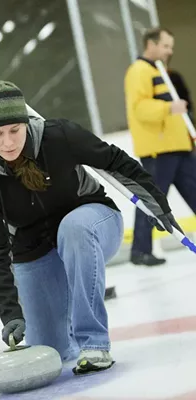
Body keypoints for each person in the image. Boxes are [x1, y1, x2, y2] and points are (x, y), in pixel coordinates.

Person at [0, 81, 183, 375]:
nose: (7, 142)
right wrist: (10, 312)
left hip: (92, 222)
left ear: (26, 123)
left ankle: (93, 342)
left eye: (15, 130)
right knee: (50, 349)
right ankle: (62, 323)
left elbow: (117, 162)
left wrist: (156, 202)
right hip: (34, 249)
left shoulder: (58, 137)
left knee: (74, 228)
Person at [124, 27, 196, 267]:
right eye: (166, 46)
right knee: (152, 200)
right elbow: (139, 109)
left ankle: (141, 250)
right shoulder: (138, 71)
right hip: (158, 150)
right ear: (151, 44)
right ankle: (140, 251)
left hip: (179, 147)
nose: (169, 51)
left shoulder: (160, 70)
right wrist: (168, 108)